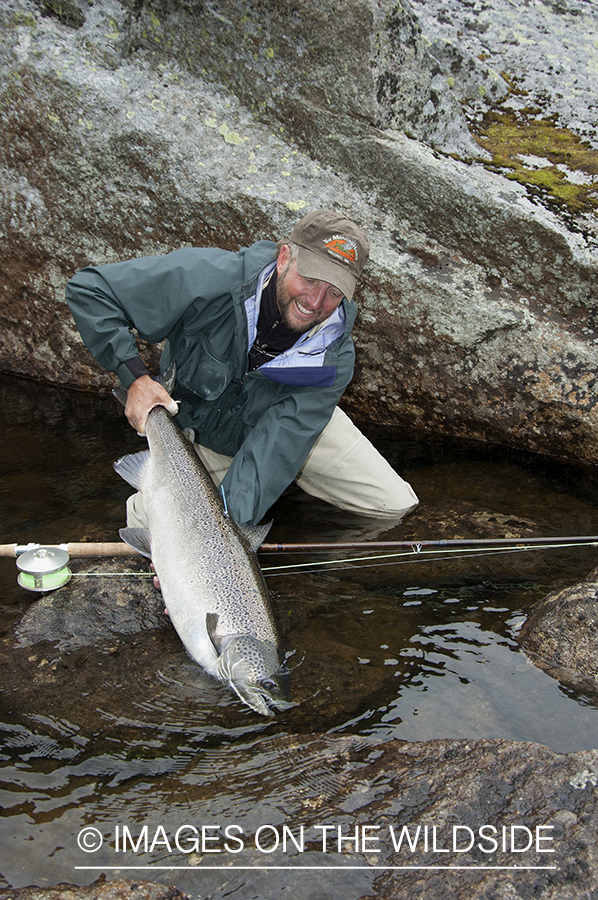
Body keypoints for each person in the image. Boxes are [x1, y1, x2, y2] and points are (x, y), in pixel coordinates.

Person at [66, 208, 418, 526]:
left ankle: (287, 482)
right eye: (309, 279)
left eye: (334, 292)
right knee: (152, 535)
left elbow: (274, 450)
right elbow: (91, 290)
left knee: (395, 505)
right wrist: (136, 378)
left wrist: (223, 536)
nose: (315, 302)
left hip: (295, 431)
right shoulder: (211, 279)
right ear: (284, 258)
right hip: (202, 435)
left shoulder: (332, 358)